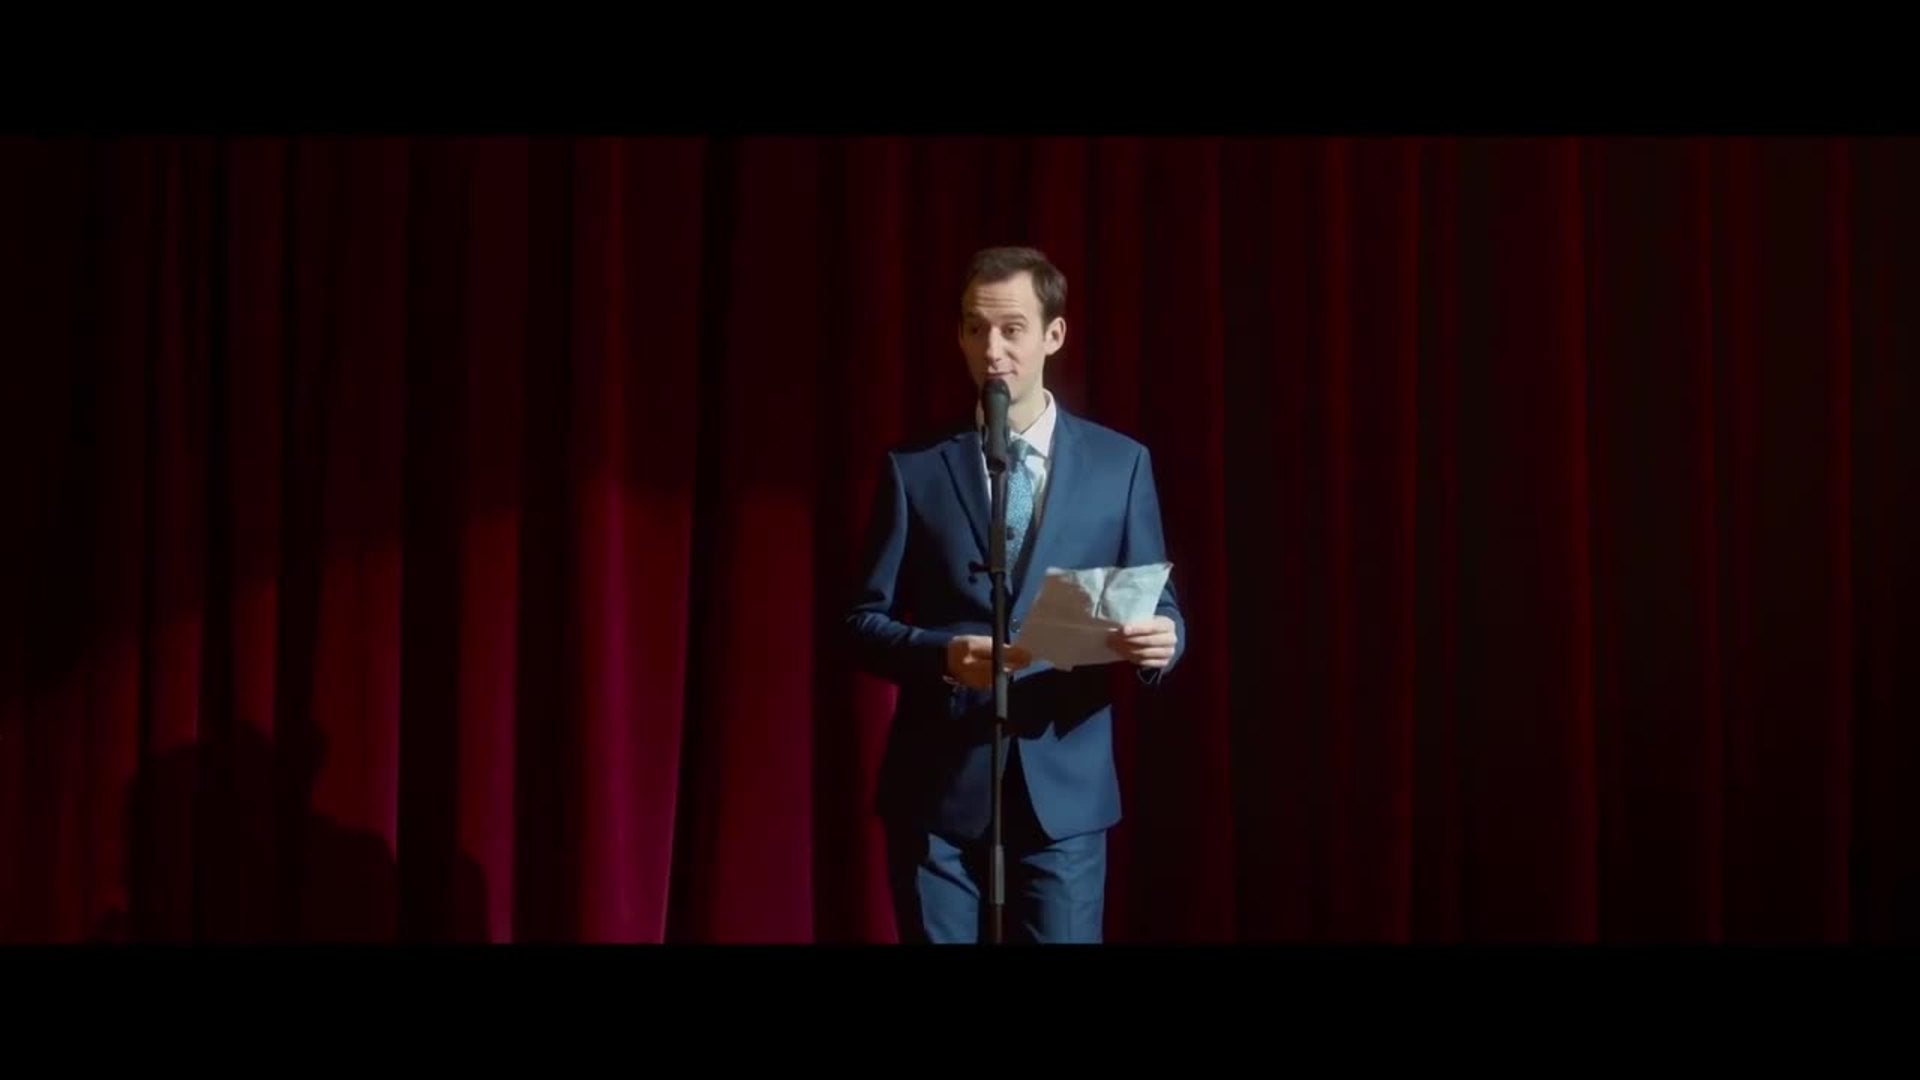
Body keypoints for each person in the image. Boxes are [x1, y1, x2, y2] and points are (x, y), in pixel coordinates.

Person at [844, 245, 1186, 944]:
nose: (992, 350)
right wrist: (943, 657)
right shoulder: (916, 469)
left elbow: (1160, 604)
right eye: (976, 329)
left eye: (1011, 329)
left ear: (1053, 335)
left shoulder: (1121, 464)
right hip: (939, 794)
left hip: (1064, 795)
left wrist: (1163, 641)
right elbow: (861, 621)